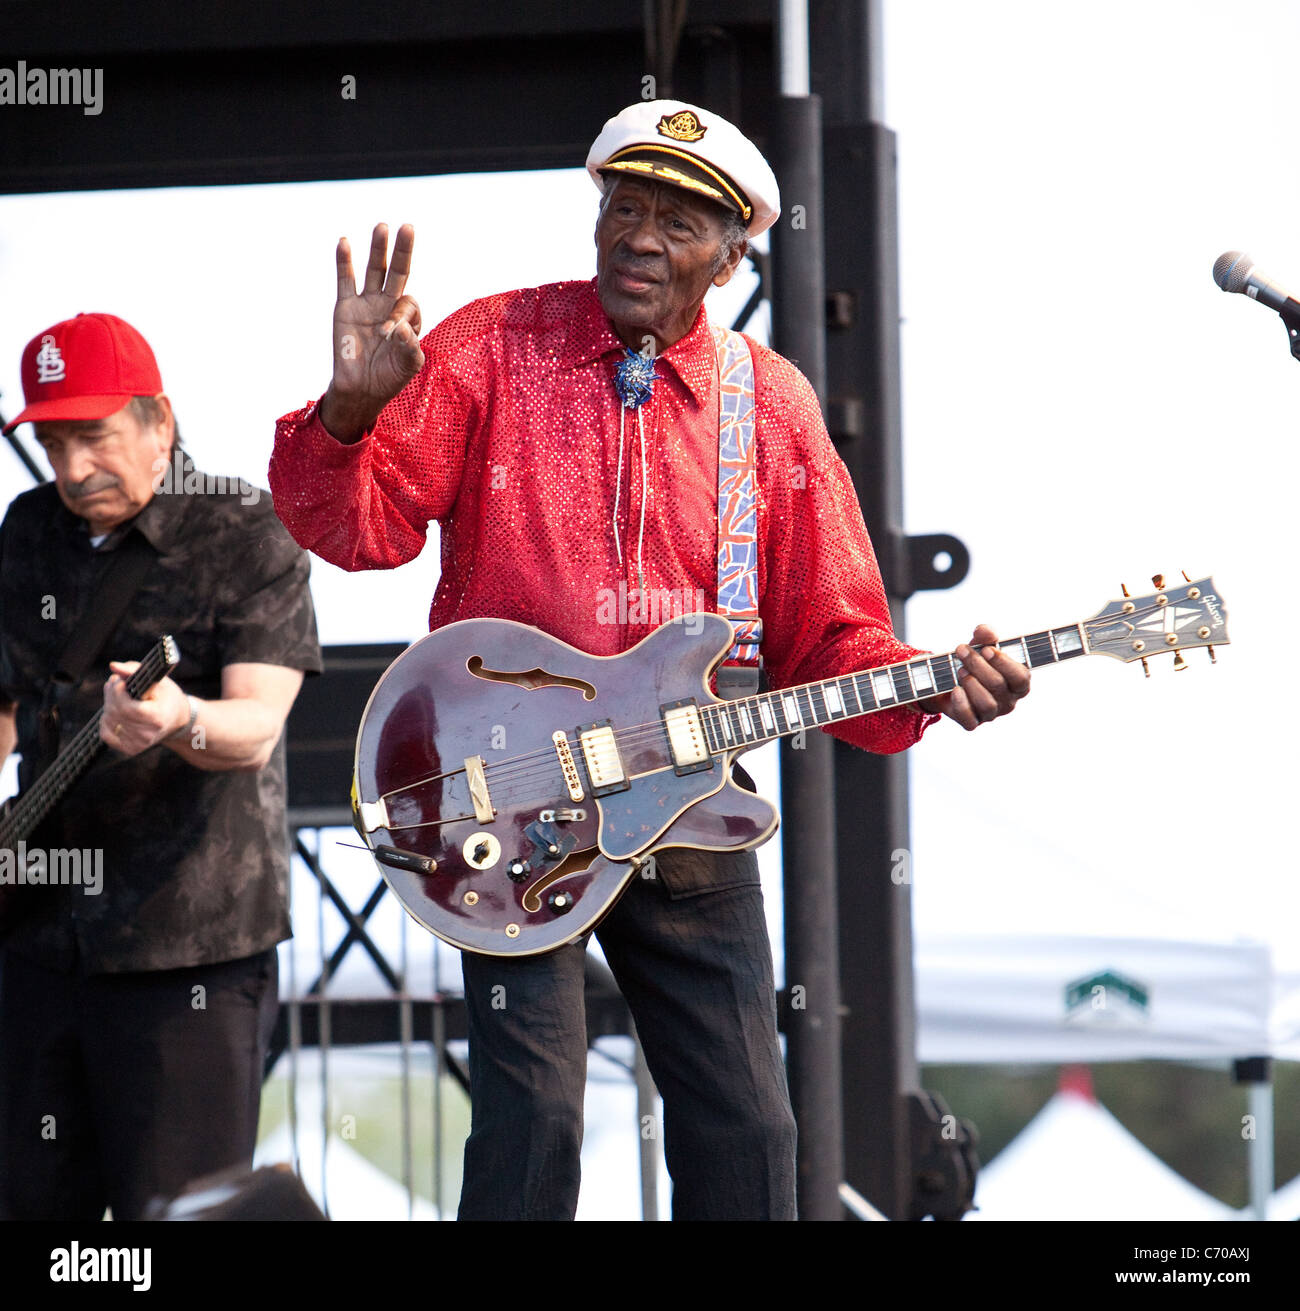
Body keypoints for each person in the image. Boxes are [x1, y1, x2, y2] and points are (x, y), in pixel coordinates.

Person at [268, 100, 1030, 1221]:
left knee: (751, 1131)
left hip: (684, 798)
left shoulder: (767, 405)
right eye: (623, 208)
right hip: (511, 803)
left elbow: (832, 641)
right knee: (536, 1118)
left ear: (730, 258)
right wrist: (348, 412)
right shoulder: (490, 345)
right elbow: (355, 532)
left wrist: (934, 685)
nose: (638, 237)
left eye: (677, 224)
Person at [0, 311, 322, 1220]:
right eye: (53, 441)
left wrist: (179, 717)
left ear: (160, 424)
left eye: (93, 437)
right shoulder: (25, 533)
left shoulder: (248, 532)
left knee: (176, 1218)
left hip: (189, 950)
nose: (70, 469)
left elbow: (257, 724)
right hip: (35, 939)